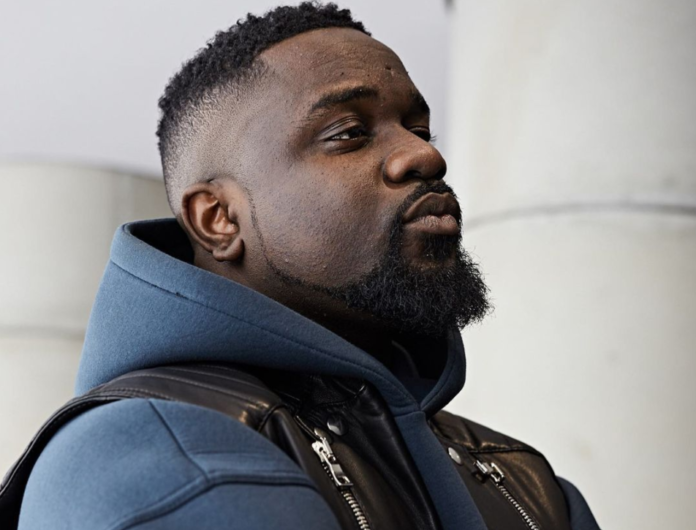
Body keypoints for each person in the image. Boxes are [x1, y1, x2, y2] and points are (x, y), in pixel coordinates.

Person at [17, 3, 599, 529]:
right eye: (349, 133)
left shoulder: (527, 485)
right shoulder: (160, 454)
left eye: (419, 129)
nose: (425, 155)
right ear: (219, 219)